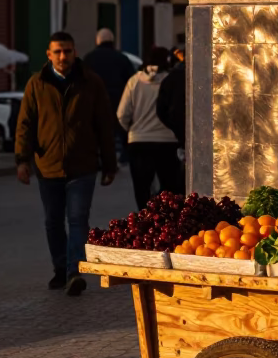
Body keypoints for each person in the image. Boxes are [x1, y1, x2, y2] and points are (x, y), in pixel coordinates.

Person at [15, 31, 117, 295]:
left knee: (77, 219)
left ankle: (74, 271)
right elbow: (25, 125)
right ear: (48, 55)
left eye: (68, 51)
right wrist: (22, 160)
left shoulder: (90, 82)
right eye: (58, 51)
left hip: (82, 166)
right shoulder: (36, 84)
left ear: (75, 53)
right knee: (52, 221)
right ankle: (60, 269)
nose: (63, 56)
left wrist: (109, 163)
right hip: (48, 166)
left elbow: (104, 125)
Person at [118, 46, 182, 209]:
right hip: (167, 142)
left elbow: (122, 114)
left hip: (139, 142)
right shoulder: (171, 80)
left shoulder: (134, 81)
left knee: (142, 190)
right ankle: (167, 227)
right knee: (170, 192)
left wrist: (132, 131)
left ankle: (145, 226)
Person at [83, 28, 134, 161]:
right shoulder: (122, 58)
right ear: (113, 41)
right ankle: (123, 157)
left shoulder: (88, 59)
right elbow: (132, 81)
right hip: (118, 100)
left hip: (95, 101)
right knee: (120, 130)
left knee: (96, 131)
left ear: (97, 41)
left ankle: (97, 158)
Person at [155, 47, 186, 196]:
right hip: (175, 139)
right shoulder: (199, 75)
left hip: (173, 137)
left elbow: (161, 109)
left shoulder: (172, 78)